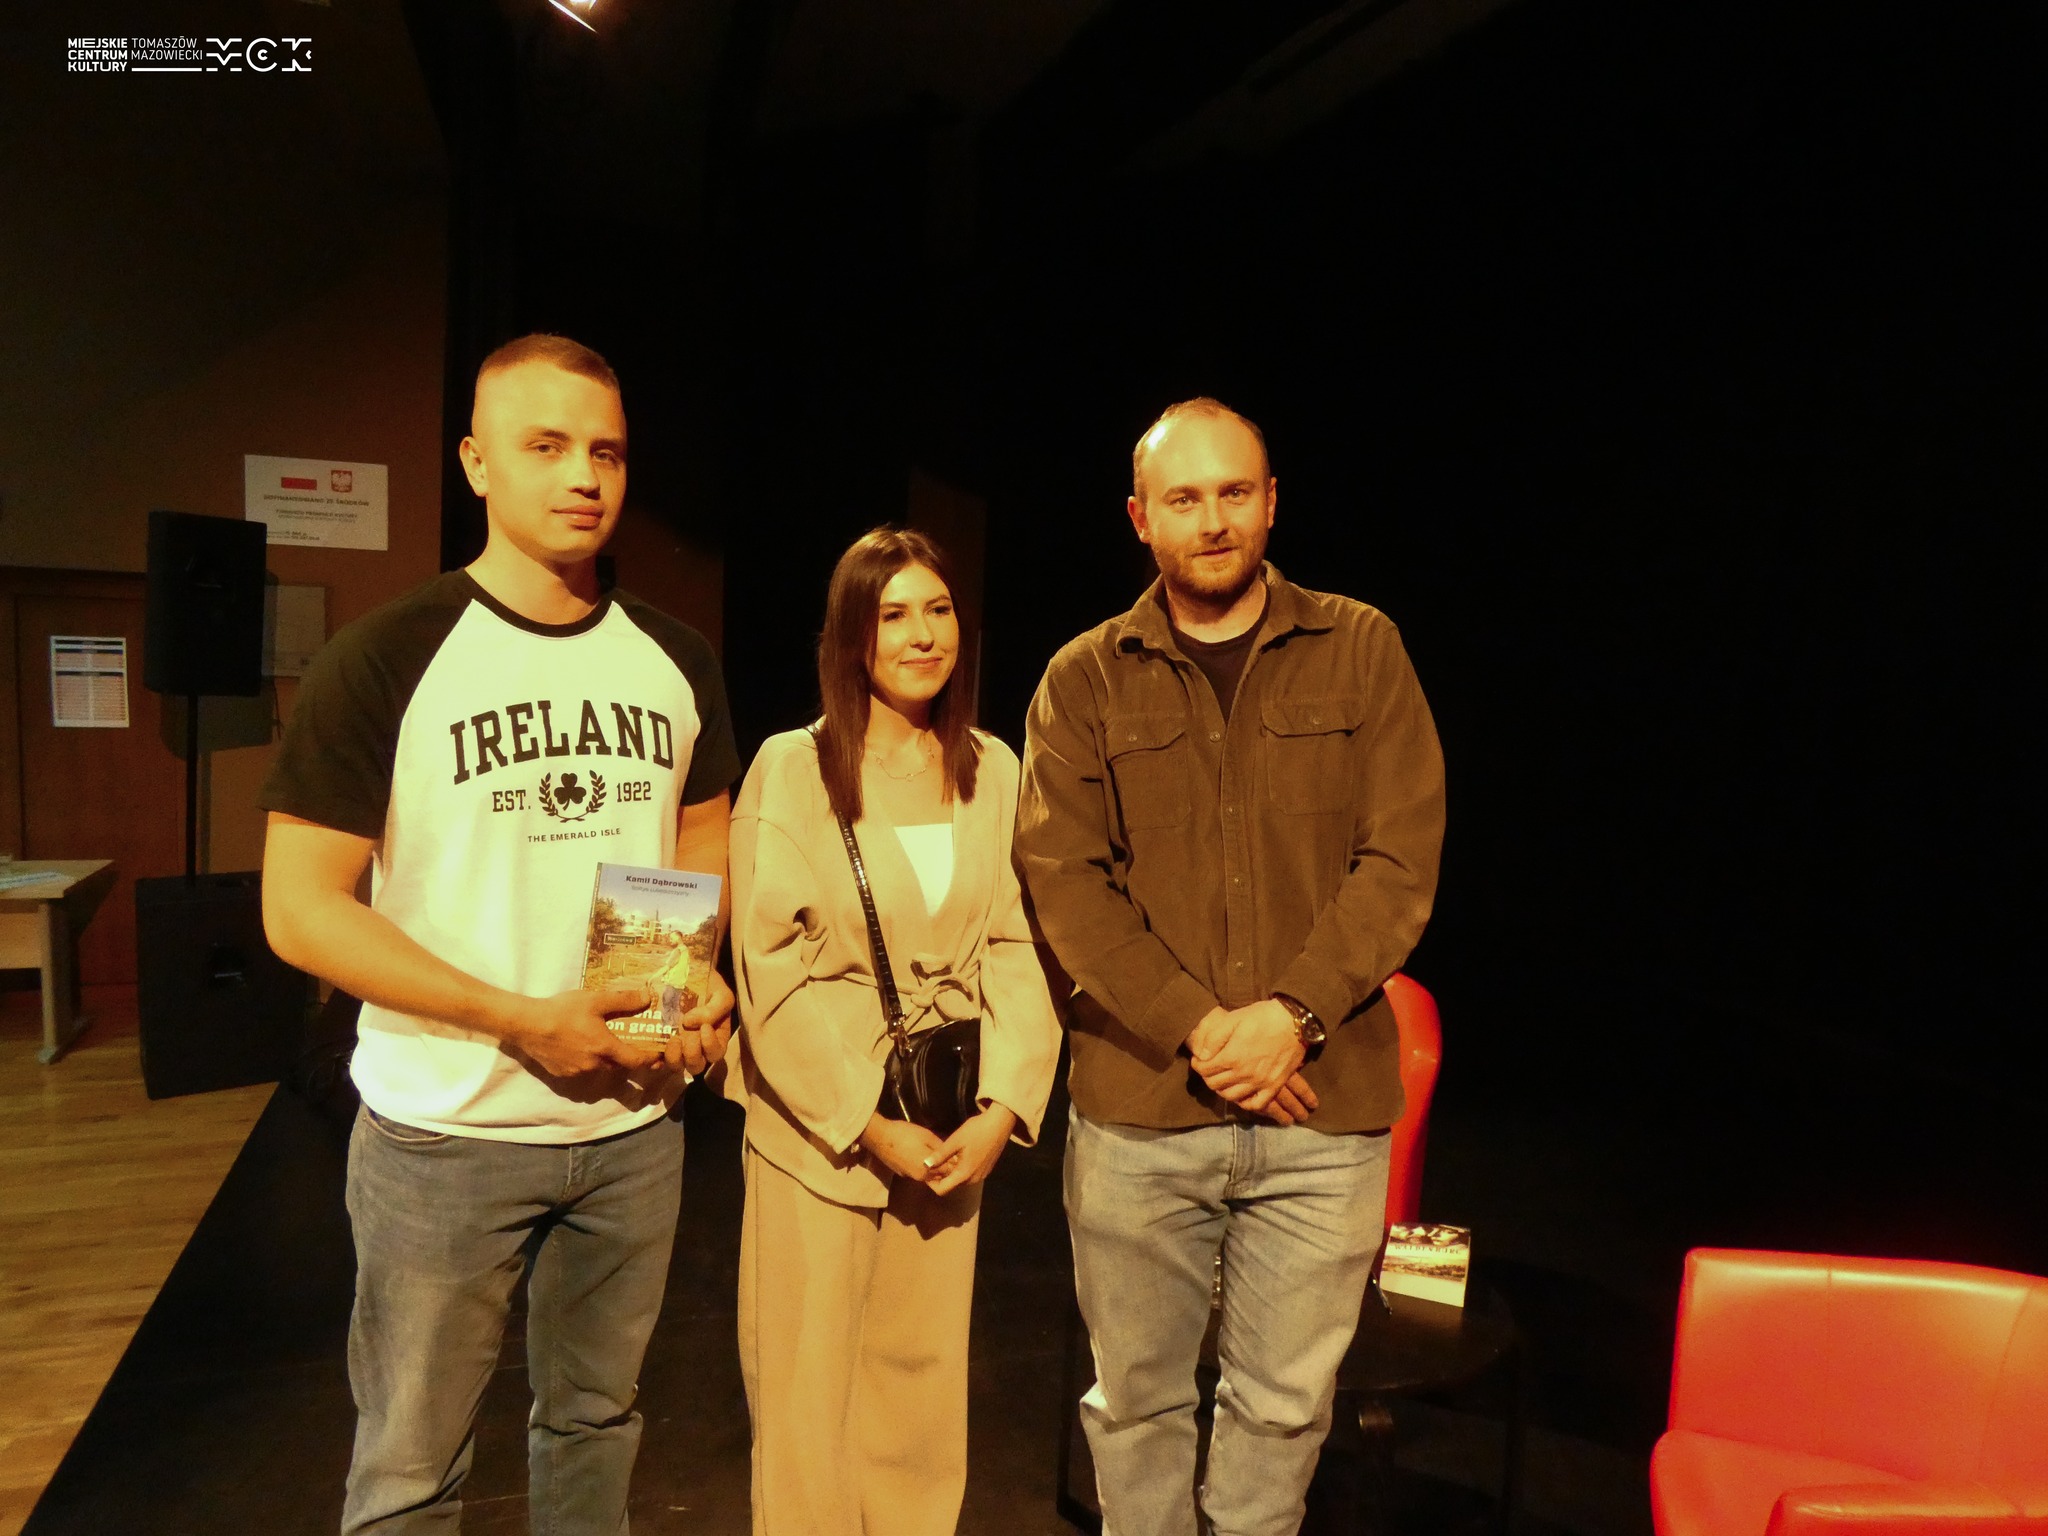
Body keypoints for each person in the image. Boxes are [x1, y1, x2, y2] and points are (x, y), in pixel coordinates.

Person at [259, 333, 741, 1534]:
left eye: (606, 452)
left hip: (630, 1130)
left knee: (594, 1426)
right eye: (547, 446)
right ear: (476, 463)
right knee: (410, 1470)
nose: (582, 475)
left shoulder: (675, 659)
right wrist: (522, 1020)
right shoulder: (387, 656)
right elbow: (299, 908)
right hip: (445, 1134)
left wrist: (689, 979)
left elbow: (699, 848)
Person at [1016, 398, 1446, 1536]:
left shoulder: (1362, 648)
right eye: (1183, 498)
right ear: (1139, 518)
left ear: (1270, 503)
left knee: (1284, 1411)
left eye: (1233, 493)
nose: (1211, 520)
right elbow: (1064, 882)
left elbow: (1400, 858)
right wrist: (1207, 1030)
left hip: (1322, 1114)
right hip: (1143, 1112)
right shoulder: (1083, 678)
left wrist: (1291, 1016)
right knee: (1137, 1408)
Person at [728, 526, 1061, 1536]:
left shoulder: (991, 768)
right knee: (807, 1400)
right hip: (821, 1131)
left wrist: (1004, 1109)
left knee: (919, 1393)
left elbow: (1018, 943)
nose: (923, 636)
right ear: (850, 637)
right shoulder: (794, 769)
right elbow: (768, 973)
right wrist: (866, 1123)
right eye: (894, 615)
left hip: (948, 1124)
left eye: (939, 610)